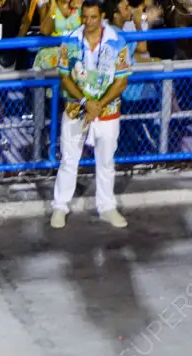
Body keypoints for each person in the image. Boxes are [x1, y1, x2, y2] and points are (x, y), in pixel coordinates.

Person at [50, 0, 131, 229]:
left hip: (108, 112)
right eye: (84, 17)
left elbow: (122, 79)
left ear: (102, 16)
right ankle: (60, 206)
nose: (88, 22)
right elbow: (65, 78)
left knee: (105, 162)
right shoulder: (70, 41)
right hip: (76, 111)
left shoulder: (117, 41)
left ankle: (107, 207)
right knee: (69, 160)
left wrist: (98, 104)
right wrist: (87, 102)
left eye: (93, 17)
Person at [33, 0, 81, 71]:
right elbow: (45, 31)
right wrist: (53, 8)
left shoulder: (80, 7)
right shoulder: (48, 7)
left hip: (75, 52)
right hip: (52, 53)